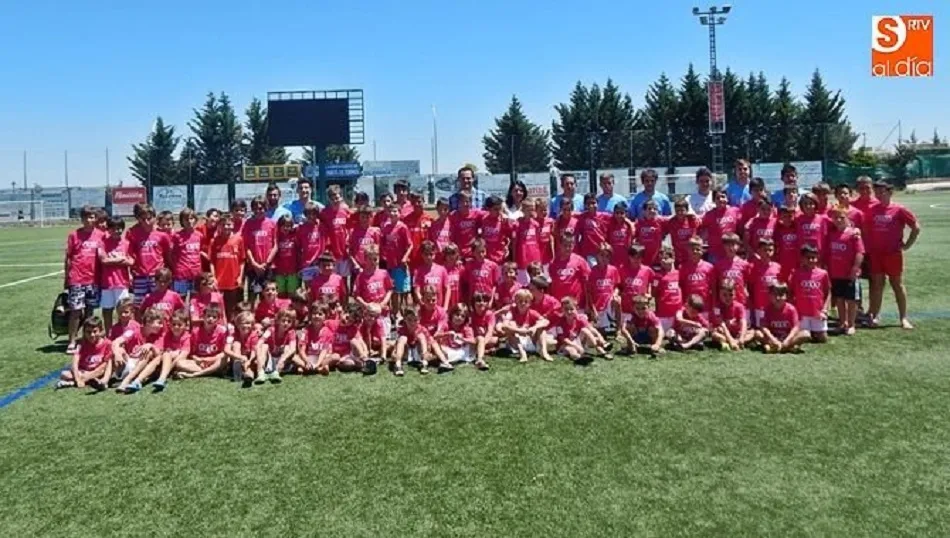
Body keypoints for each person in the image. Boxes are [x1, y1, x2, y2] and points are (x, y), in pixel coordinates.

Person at [864, 181, 920, 329]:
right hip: (876, 254)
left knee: (897, 285)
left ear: (890, 192)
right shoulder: (871, 209)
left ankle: (903, 318)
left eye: (882, 191)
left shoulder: (899, 209)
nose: (879, 195)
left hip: (893, 254)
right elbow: (866, 229)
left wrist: (907, 245)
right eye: (877, 192)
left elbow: (915, 227)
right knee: (877, 285)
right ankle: (875, 316)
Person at [827, 207, 865, 336]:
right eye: (836, 218)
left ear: (848, 219)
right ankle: (842, 322)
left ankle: (851, 324)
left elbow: (860, 253)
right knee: (839, 299)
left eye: (842, 217)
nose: (838, 220)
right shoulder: (831, 234)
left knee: (851, 300)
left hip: (849, 274)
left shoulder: (853, 234)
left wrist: (855, 268)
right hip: (836, 273)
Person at [126, 202, 171, 309]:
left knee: (157, 304)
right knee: (139, 306)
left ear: (155, 218)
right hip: (139, 275)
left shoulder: (162, 235)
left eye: (149, 218)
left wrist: (169, 272)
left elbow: (168, 255)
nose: (147, 222)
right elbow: (129, 254)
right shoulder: (132, 233)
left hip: (157, 275)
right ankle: (139, 325)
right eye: (143, 219)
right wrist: (129, 273)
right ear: (138, 219)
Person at [113, 307, 166, 393]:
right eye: (159, 323)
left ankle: (128, 381)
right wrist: (117, 353)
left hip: (140, 366)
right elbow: (116, 342)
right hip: (128, 363)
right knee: (119, 349)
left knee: (149, 352)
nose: (161, 326)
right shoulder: (134, 331)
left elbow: (159, 355)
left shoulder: (156, 336)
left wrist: (150, 345)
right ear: (148, 322)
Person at [56, 316, 112, 391]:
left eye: (95, 331)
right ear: (84, 332)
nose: (92, 335)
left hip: (97, 371)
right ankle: (85, 381)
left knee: (105, 368)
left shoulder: (107, 343)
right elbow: (75, 363)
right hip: (83, 371)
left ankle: (76, 382)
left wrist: (89, 375)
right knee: (64, 374)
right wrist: (78, 379)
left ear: (101, 330)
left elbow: (104, 365)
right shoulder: (81, 344)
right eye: (88, 332)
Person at [789, 245, 831, 344]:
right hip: (802, 313)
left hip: (817, 313)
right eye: (808, 258)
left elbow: (828, 292)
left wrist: (825, 309)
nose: (812, 260)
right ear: (802, 258)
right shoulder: (796, 273)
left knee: (822, 339)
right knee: (804, 336)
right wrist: (793, 311)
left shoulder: (823, 273)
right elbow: (790, 292)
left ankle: (815, 332)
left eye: (814, 257)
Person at [550, 297, 610, 364]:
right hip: (564, 345)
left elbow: (591, 329)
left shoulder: (580, 318)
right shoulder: (560, 322)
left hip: (576, 340)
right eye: (566, 309)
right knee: (571, 350)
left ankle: (601, 351)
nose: (569, 312)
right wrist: (576, 346)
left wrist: (600, 336)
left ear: (576, 309)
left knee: (585, 330)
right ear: (562, 310)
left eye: (571, 309)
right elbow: (563, 339)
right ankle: (579, 357)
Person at [98, 217, 132, 332]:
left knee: (124, 310)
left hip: (122, 282)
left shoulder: (126, 243)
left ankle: (123, 332)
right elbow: (103, 261)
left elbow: (131, 261)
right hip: (107, 282)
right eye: (114, 228)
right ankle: (109, 334)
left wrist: (118, 259)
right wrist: (121, 259)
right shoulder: (103, 243)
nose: (117, 231)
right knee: (107, 310)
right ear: (109, 229)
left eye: (119, 228)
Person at [177, 304, 228, 379]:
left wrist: (210, 360)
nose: (210, 319)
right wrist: (198, 360)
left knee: (225, 359)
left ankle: (194, 374)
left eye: (214, 317)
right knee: (179, 363)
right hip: (199, 362)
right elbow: (192, 353)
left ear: (218, 320)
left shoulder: (222, 331)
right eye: (208, 316)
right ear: (203, 317)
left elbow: (224, 352)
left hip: (214, 360)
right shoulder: (195, 331)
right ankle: (212, 371)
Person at [500, 289, 552, 363]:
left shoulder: (532, 312)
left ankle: (544, 352)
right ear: (516, 301)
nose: (523, 303)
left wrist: (534, 328)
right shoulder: (512, 311)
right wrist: (520, 331)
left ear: (530, 303)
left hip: (530, 340)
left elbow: (546, 321)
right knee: (512, 324)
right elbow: (504, 326)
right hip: (516, 343)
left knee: (541, 328)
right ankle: (522, 353)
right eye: (520, 301)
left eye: (526, 301)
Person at [242, 196, 278, 302]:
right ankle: (251, 316)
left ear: (266, 208)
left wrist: (266, 263)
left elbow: (275, 245)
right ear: (252, 209)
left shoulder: (271, 223)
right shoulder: (248, 224)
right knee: (252, 295)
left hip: (268, 267)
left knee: (268, 295)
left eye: (261, 208)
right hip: (253, 268)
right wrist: (254, 264)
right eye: (256, 208)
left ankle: (267, 316)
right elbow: (246, 246)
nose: (259, 211)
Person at [210, 213, 245, 320]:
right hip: (219, 282)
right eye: (223, 224)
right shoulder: (214, 241)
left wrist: (240, 277)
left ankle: (232, 328)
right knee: (218, 308)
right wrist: (213, 278)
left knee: (232, 308)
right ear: (219, 225)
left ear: (233, 225)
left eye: (229, 224)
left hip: (233, 281)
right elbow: (211, 262)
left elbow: (242, 261)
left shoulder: (238, 239)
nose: (226, 227)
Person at [354, 244, 395, 336]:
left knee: (383, 338)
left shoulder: (383, 273)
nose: (373, 262)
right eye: (370, 259)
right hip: (368, 314)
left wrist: (383, 304)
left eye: (375, 259)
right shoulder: (360, 277)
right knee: (370, 338)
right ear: (365, 259)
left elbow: (390, 290)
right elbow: (356, 295)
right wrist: (366, 305)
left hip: (383, 312)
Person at [380, 203, 413, 315]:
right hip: (390, 264)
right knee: (394, 291)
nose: (393, 213)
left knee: (404, 291)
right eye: (391, 211)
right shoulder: (386, 227)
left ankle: (408, 313)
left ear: (400, 213)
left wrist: (405, 258)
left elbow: (410, 245)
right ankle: (396, 314)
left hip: (400, 265)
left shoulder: (403, 227)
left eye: (396, 211)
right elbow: (383, 243)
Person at [547, 231, 591, 307]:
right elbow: (551, 285)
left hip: (576, 304)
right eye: (565, 245)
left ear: (573, 245)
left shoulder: (580, 261)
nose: (567, 248)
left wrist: (588, 304)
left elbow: (587, 283)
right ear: (559, 245)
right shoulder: (553, 263)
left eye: (570, 246)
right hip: (559, 304)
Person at [755, 283, 802, 354]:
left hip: (787, 337)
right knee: (757, 333)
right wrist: (773, 339)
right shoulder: (767, 309)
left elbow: (795, 327)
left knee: (805, 334)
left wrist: (787, 340)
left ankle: (775, 347)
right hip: (774, 337)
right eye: (775, 295)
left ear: (786, 296)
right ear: (770, 296)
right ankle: (788, 347)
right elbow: (763, 327)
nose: (778, 298)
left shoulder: (791, 309)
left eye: (781, 295)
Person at [319, 185, 352, 279]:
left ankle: (345, 294)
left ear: (341, 197)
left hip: (344, 250)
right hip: (331, 251)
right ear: (329, 199)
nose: (335, 201)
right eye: (332, 199)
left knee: (344, 278)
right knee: (332, 277)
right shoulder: (324, 213)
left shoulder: (346, 211)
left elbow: (349, 229)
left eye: (337, 198)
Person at [586, 243, 621, 333]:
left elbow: (617, 286)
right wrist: (593, 310)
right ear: (597, 256)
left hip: (609, 304)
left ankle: (618, 328)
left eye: (607, 256)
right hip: (597, 306)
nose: (604, 258)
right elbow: (589, 292)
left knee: (617, 300)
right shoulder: (592, 272)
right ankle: (604, 325)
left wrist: (615, 294)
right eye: (601, 255)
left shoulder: (613, 270)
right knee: (602, 331)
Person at [701, 188, 741, 264]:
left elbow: (741, 228)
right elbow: (703, 232)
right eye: (717, 198)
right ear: (714, 200)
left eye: (723, 197)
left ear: (727, 198)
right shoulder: (709, 215)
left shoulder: (735, 211)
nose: (720, 199)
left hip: (731, 251)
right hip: (714, 253)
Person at [391, 305, 434, 376]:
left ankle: (424, 363)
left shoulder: (422, 329)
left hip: (419, 353)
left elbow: (429, 343)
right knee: (403, 338)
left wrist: (428, 352)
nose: (412, 323)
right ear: (404, 319)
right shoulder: (401, 330)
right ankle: (398, 365)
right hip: (406, 353)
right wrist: (394, 352)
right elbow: (397, 343)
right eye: (409, 320)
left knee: (421, 336)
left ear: (419, 319)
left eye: (415, 320)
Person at [749, 239, 782, 328]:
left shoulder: (777, 267)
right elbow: (750, 286)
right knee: (761, 328)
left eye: (770, 250)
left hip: (773, 305)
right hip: (759, 305)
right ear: (759, 251)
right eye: (765, 250)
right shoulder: (753, 267)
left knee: (773, 328)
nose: (768, 252)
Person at [711, 280, 752, 350]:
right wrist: (730, 340)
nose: (728, 298)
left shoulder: (740, 306)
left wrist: (741, 337)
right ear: (719, 294)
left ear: (735, 294)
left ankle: (738, 342)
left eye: (731, 295)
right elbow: (722, 325)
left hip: (737, 333)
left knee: (753, 333)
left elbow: (744, 323)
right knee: (715, 334)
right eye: (724, 295)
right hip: (725, 332)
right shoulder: (717, 307)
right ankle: (734, 343)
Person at [225, 311, 264, 387]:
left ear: (252, 325)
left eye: (249, 323)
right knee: (236, 344)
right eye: (243, 323)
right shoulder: (233, 334)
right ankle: (237, 366)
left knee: (250, 368)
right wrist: (240, 357)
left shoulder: (254, 335)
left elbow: (254, 351)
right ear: (238, 324)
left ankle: (248, 377)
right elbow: (226, 349)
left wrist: (249, 361)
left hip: (249, 359)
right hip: (238, 357)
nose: (246, 325)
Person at [258, 308, 298, 382]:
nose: (286, 323)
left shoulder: (291, 332)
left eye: (289, 321)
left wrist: (282, 360)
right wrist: (259, 356)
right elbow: (260, 342)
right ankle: (260, 373)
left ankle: (276, 373)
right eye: (283, 321)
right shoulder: (271, 330)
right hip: (269, 359)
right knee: (264, 346)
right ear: (278, 320)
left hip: (282, 360)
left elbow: (293, 348)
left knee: (287, 348)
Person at [171, 208, 203, 297]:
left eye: (192, 218)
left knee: (195, 300)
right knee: (181, 301)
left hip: (196, 274)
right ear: (182, 221)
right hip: (181, 274)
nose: (189, 221)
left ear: (195, 219)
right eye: (186, 219)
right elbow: (171, 254)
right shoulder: (177, 236)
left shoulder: (199, 235)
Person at [652, 248, 683, 335]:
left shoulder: (680, 274)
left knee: (677, 334)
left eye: (665, 258)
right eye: (660, 259)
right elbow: (653, 294)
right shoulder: (657, 276)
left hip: (677, 312)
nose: (663, 261)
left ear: (673, 258)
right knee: (659, 334)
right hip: (663, 313)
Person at [576, 193, 611, 266]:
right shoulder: (581, 217)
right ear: (585, 205)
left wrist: (630, 223)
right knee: (593, 270)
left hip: (602, 251)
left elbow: (619, 217)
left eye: (593, 203)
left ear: (598, 204)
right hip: (589, 253)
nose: (591, 205)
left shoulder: (605, 216)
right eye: (588, 203)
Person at [295, 201, 325, 286]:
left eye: (314, 214)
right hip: (306, 262)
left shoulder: (321, 227)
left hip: (319, 262)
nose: (311, 216)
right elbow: (298, 246)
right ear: (305, 215)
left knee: (319, 286)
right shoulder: (301, 228)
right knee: (308, 287)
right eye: (308, 214)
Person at [449, 191, 483, 260]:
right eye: (462, 201)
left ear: (471, 202)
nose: (465, 204)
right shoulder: (453, 216)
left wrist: (503, 216)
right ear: (458, 203)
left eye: (467, 201)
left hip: (473, 252)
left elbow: (489, 214)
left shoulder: (476, 213)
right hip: (459, 253)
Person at [273, 215, 299, 298]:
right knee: (280, 294)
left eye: (288, 226)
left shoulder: (294, 236)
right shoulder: (277, 237)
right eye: (283, 226)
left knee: (292, 294)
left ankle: (290, 310)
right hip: (279, 271)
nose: (286, 228)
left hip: (292, 271)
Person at [480, 196, 511, 264]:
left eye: (500, 209)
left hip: (500, 256)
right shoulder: (483, 219)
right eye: (496, 209)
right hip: (486, 257)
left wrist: (507, 247)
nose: (499, 212)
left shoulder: (503, 220)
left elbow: (510, 236)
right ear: (488, 209)